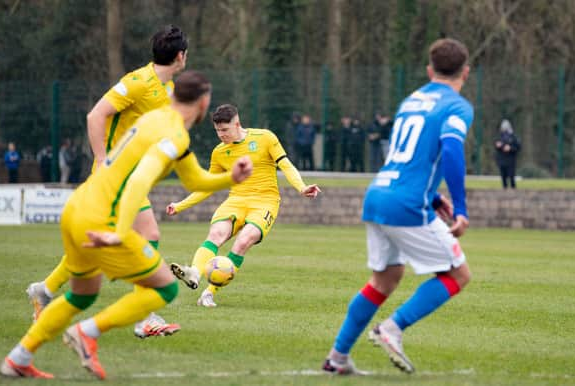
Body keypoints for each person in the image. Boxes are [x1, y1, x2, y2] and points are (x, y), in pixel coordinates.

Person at [0, 71, 253, 380]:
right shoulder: (173, 134)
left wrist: (231, 178)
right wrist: (118, 232)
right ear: (204, 103)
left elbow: (194, 178)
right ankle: (87, 332)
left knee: (82, 295)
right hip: (101, 218)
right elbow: (139, 181)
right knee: (165, 287)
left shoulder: (158, 119)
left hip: (79, 207)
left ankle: (18, 358)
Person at [26, 25, 188, 338]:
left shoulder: (167, 89)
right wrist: (101, 160)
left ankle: (44, 291)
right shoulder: (138, 82)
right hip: (113, 177)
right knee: (147, 234)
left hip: (131, 177)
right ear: (181, 56)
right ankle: (144, 315)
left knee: (95, 247)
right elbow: (95, 116)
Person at [323, 38, 473, 375]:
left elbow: (406, 156)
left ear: (429, 70)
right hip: (406, 203)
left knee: (385, 279)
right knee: (458, 274)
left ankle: (337, 358)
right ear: (466, 71)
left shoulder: (411, 101)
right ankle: (392, 328)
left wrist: (434, 196)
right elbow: (450, 150)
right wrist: (460, 208)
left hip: (379, 193)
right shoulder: (457, 105)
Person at [168, 104, 321, 307]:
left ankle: (209, 293)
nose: (221, 135)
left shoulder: (265, 137)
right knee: (215, 236)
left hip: (265, 202)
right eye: (217, 131)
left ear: (237, 124)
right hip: (235, 201)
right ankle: (194, 273)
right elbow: (207, 186)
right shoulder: (219, 152)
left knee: (243, 241)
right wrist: (180, 205)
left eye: (225, 130)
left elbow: (285, 164)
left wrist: (301, 187)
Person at [494, 119, 521, 189]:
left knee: (511, 175)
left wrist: (510, 148)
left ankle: (513, 188)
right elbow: (496, 145)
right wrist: (498, 145)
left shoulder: (513, 137)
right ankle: (504, 189)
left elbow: (518, 147)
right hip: (501, 159)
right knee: (503, 176)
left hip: (510, 159)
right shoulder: (499, 136)